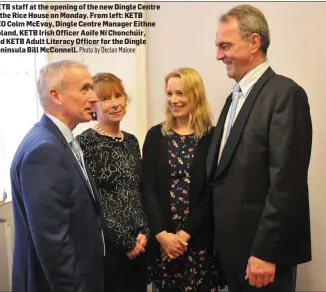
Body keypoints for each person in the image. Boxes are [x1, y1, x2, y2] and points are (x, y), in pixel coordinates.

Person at [206, 4, 312, 292]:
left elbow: (286, 183)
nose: (218, 55)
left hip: (263, 256)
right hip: (233, 253)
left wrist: (266, 251)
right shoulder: (233, 99)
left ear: (254, 42)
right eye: (218, 47)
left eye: (225, 46)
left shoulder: (285, 94)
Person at [10, 60, 106, 292]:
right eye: (85, 88)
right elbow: (53, 242)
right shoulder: (46, 150)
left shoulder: (56, 139)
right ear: (56, 95)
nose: (94, 97)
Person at [143, 67, 216, 292]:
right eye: (169, 94)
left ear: (195, 95)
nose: (174, 100)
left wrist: (183, 236)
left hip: (198, 239)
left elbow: (211, 191)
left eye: (180, 93)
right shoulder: (156, 135)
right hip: (164, 242)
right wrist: (162, 235)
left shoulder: (212, 137)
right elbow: (148, 187)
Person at [76, 72, 150, 292]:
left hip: (140, 243)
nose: (115, 104)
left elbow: (137, 191)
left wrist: (144, 232)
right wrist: (126, 243)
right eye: (105, 98)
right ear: (93, 106)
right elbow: (92, 201)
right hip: (109, 248)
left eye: (119, 96)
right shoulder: (85, 143)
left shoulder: (131, 141)